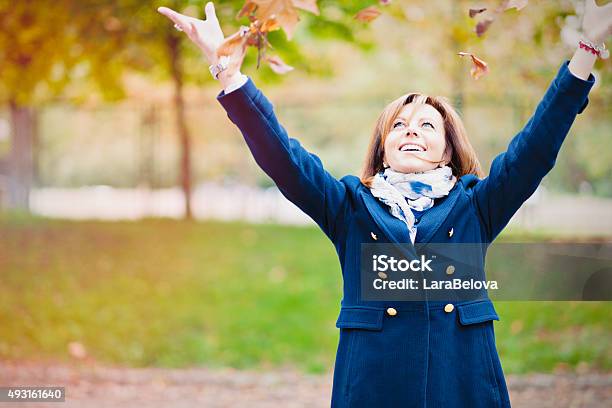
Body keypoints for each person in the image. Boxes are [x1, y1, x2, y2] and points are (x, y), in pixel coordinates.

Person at [158, 2, 610, 407]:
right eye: (399, 125)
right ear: (384, 146)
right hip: (375, 386)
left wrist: (586, 49)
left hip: (462, 382)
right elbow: (284, 158)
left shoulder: (477, 205)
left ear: (448, 149)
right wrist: (228, 74)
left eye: (426, 125)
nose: (411, 131)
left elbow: (535, 148)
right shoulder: (350, 206)